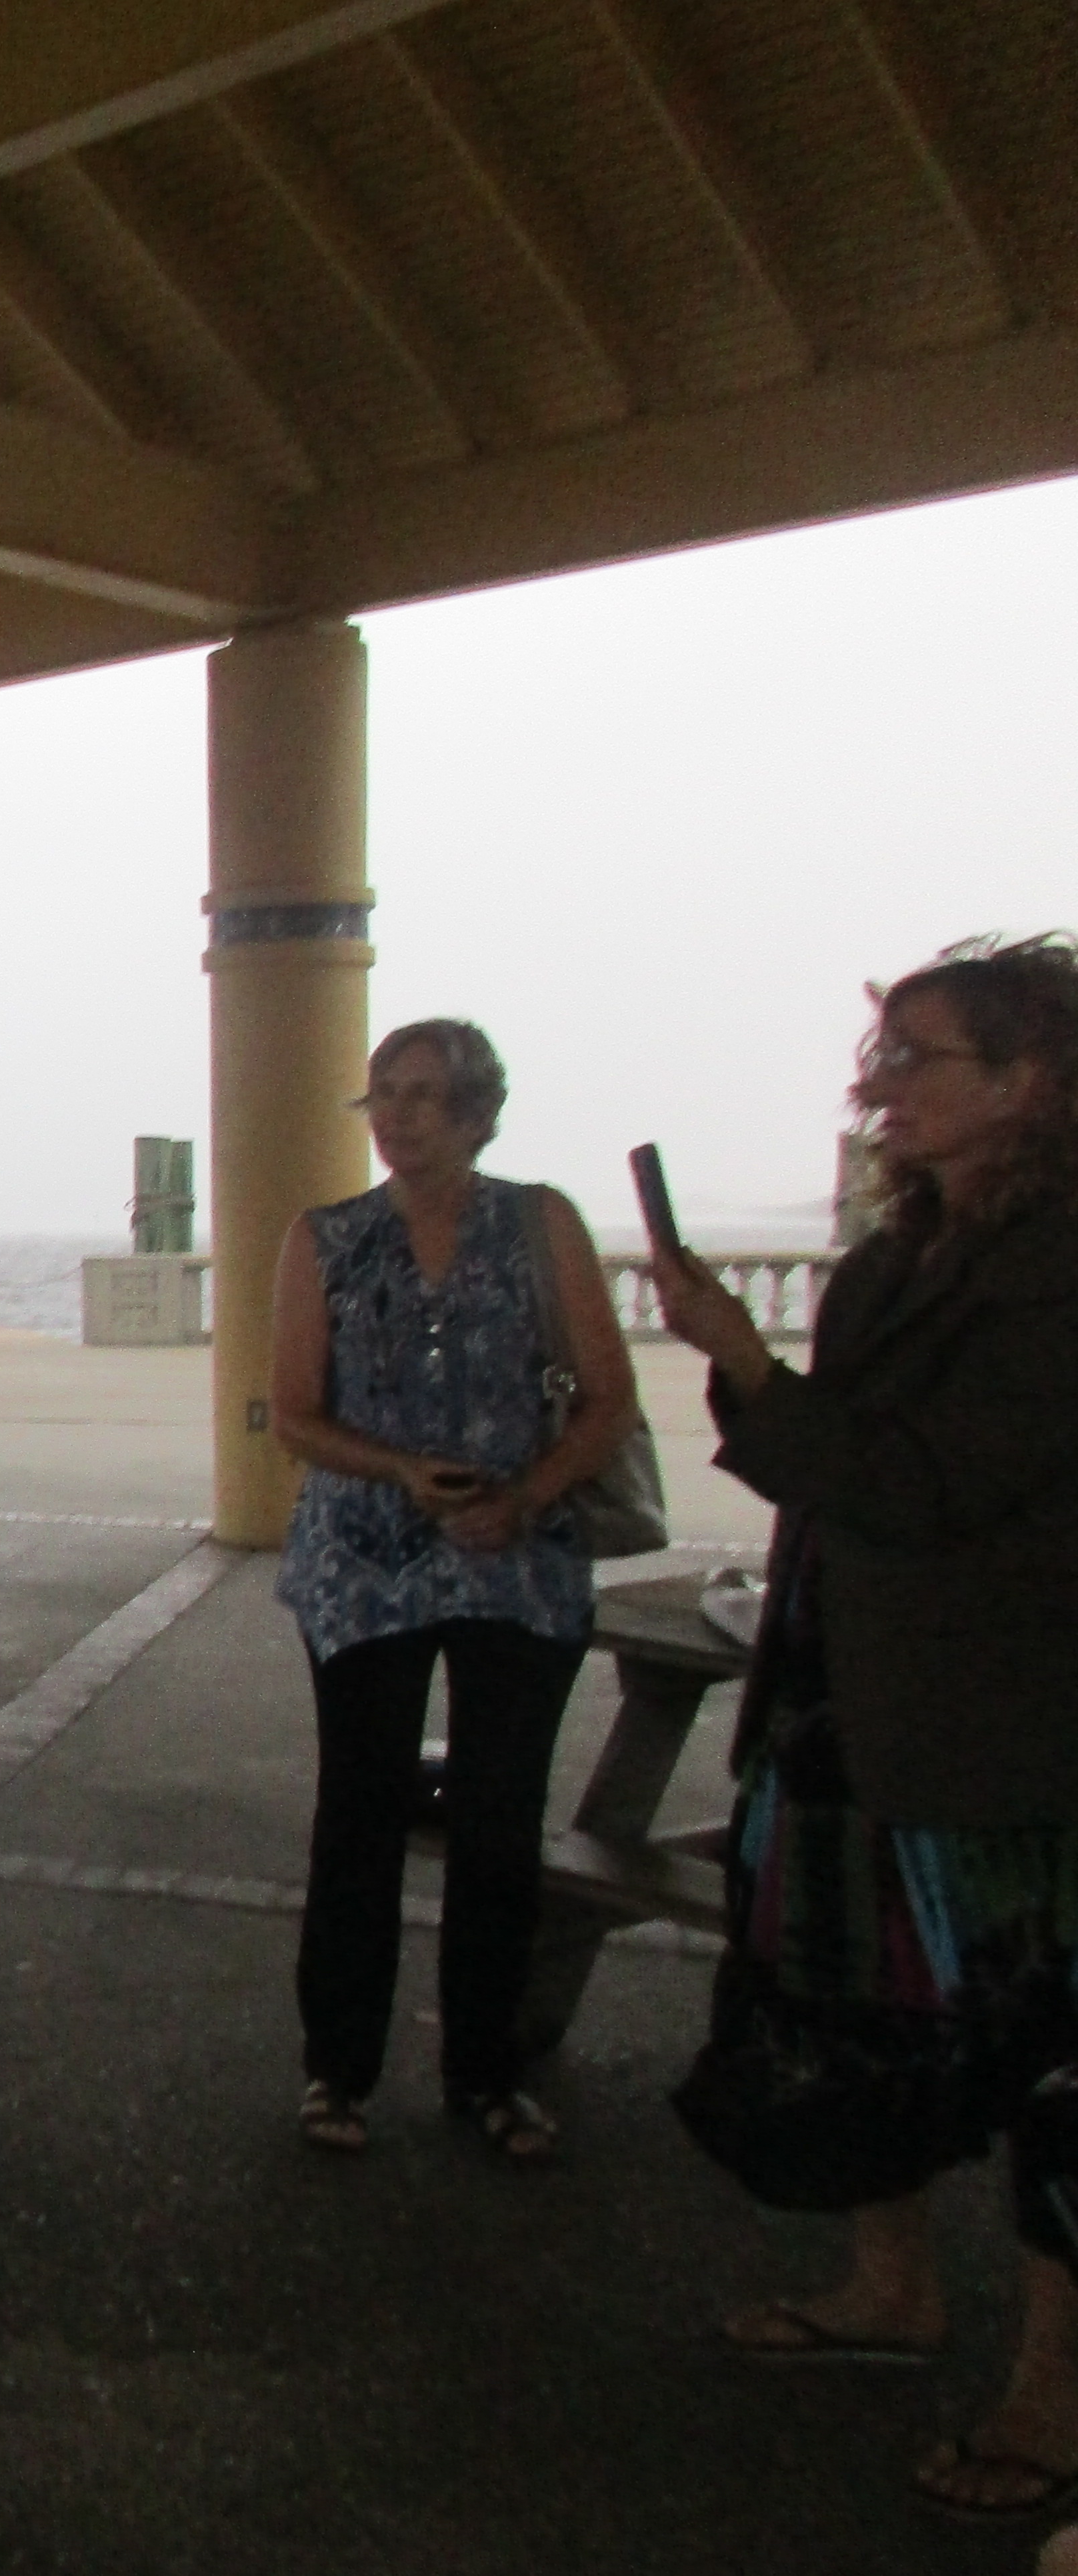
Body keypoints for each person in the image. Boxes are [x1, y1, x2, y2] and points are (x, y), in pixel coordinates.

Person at [655, 936, 1078, 2522]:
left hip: (1005, 1729)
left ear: (1029, 1083)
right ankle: (889, 2287)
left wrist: (742, 1363)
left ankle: (1052, 2394)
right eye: (878, 1054)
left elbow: (920, 1485)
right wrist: (755, 1376)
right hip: (844, 1691)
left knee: (1041, 2054)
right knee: (839, 2001)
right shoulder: (898, 1260)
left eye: (917, 1059)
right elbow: (831, 1461)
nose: (878, 1087)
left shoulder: (1055, 1278)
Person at [268, 1019, 638, 2165]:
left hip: (518, 1558)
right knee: (359, 1814)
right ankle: (337, 2067)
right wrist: (398, 1471)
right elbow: (295, 1414)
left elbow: (608, 1399)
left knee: (498, 1821)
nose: (397, 1114)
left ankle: (488, 2071)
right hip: (363, 1562)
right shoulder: (326, 1237)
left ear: (479, 1113)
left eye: (424, 1094)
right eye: (383, 1092)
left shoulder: (540, 1223)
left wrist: (524, 1497)